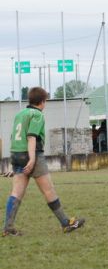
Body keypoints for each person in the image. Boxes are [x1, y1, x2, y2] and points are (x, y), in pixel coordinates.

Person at [3, 87, 85, 236]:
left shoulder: (20, 114)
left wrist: (15, 162)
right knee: (48, 190)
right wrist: (32, 158)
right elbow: (31, 137)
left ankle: (8, 228)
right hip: (31, 155)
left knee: (16, 192)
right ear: (42, 101)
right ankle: (66, 223)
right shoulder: (37, 114)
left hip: (16, 154)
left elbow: (15, 137)